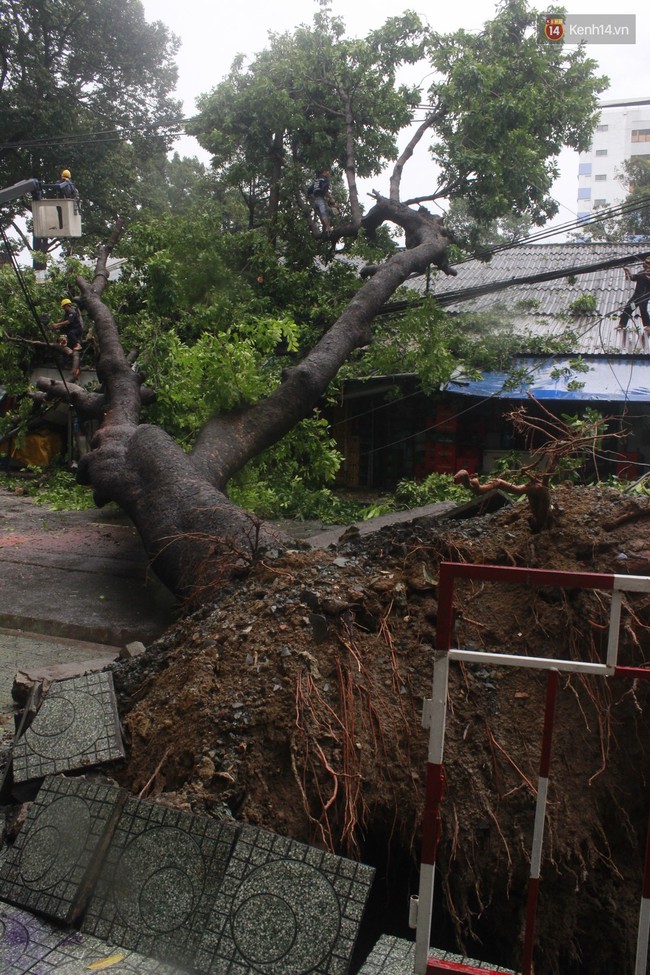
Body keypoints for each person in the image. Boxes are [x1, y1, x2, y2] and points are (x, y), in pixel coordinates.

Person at [51, 298, 84, 380]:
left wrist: (58, 324)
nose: (63, 309)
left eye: (64, 307)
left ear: (67, 305)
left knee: (71, 333)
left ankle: (78, 345)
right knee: (67, 340)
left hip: (77, 330)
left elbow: (68, 322)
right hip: (71, 331)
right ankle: (71, 362)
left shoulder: (72, 312)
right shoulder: (66, 313)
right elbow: (63, 321)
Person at [617, 257, 650, 332]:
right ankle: (622, 324)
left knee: (643, 307)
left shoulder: (646, 274)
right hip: (637, 295)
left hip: (645, 295)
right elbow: (632, 277)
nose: (646, 265)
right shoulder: (641, 273)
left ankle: (648, 325)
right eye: (646, 263)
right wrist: (627, 272)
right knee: (628, 307)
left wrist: (647, 275)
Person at [307, 167, 337, 233]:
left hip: (315, 202)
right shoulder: (325, 179)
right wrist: (331, 198)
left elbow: (309, 191)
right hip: (320, 200)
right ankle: (328, 228)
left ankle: (327, 225)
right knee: (325, 213)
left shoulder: (316, 180)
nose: (328, 174)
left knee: (331, 211)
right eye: (328, 172)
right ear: (325, 171)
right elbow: (324, 191)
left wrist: (312, 197)